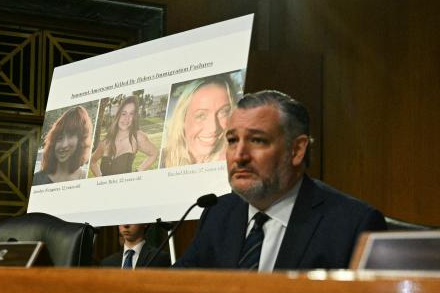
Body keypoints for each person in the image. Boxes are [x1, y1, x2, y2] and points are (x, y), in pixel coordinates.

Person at [175, 90, 387, 271]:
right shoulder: (219, 213)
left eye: (257, 140)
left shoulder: (353, 225)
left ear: (296, 150)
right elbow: (175, 288)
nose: (239, 155)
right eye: (232, 141)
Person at [161, 76, 233, 168]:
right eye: (201, 115)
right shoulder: (163, 161)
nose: (213, 128)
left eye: (224, 112)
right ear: (182, 120)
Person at [90, 96, 158, 176]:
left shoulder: (137, 137)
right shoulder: (106, 142)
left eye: (131, 114)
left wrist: (137, 173)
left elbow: (154, 153)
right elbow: (92, 161)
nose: (127, 118)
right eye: (124, 113)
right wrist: (100, 178)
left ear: (134, 117)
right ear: (118, 115)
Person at [32, 106, 93, 185]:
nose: (64, 145)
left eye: (71, 135)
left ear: (81, 140)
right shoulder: (37, 179)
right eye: (59, 138)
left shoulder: (85, 178)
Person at [100, 224, 171, 268]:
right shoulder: (107, 263)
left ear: (145, 223)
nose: (125, 225)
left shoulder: (159, 258)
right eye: (121, 219)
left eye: (131, 219)